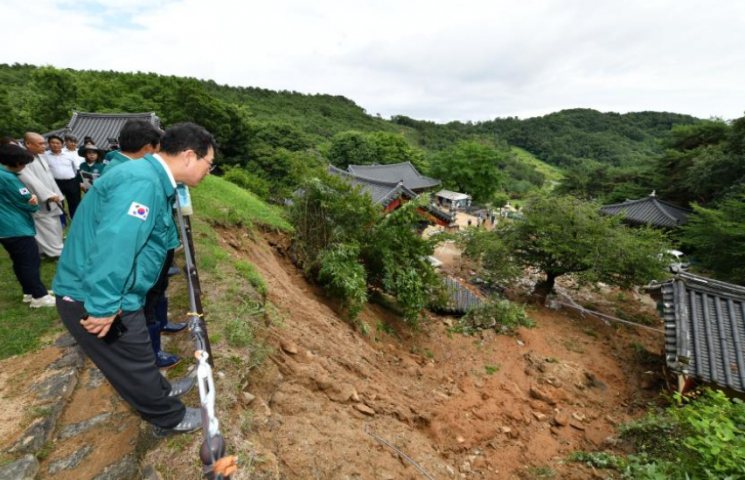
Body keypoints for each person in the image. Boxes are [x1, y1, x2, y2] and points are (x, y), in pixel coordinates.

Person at [53, 122, 217, 437]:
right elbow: (116, 245)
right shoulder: (142, 184)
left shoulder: (147, 177)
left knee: (138, 354)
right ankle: (168, 418)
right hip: (96, 295)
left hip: (111, 290)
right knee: (133, 362)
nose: (209, 171)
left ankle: (162, 390)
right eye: (208, 164)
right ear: (187, 156)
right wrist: (102, 306)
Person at [100, 119, 186, 367]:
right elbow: (128, 229)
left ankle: (162, 324)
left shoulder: (133, 169)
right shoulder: (129, 176)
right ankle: (152, 352)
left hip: (159, 244)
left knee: (158, 290)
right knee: (148, 298)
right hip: (145, 251)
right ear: (149, 147)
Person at [0, 144, 56, 307]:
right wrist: (33, 201)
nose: (25, 167)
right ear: (15, 162)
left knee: (20, 261)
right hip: (15, 226)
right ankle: (39, 297)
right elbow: (28, 203)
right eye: (24, 163)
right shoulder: (8, 178)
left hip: (5, 227)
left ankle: (29, 291)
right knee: (29, 261)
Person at [18, 133, 65, 258]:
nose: (44, 146)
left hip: (52, 196)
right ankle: (56, 252)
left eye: (44, 143)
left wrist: (57, 195)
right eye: (40, 144)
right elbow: (30, 180)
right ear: (28, 144)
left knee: (54, 224)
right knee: (46, 225)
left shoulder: (39, 157)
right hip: (41, 199)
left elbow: (49, 178)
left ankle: (48, 249)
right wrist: (48, 195)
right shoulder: (23, 159)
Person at [46, 134, 82, 219]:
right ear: (49, 144)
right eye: (52, 143)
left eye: (57, 143)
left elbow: (75, 168)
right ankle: (62, 220)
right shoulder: (45, 155)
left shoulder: (69, 155)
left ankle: (75, 219)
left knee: (74, 201)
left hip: (71, 182)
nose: (55, 145)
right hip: (55, 182)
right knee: (58, 202)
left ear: (62, 144)